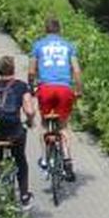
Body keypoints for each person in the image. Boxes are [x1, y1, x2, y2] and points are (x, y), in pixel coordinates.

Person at [28, 16, 81, 181]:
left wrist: (31, 86)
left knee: (45, 124)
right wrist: (78, 90)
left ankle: (45, 159)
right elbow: (76, 71)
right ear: (59, 30)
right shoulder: (69, 46)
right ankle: (67, 161)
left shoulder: (38, 45)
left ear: (46, 30)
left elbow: (31, 71)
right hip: (64, 88)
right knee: (63, 125)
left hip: (45, 88)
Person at [0, 54, 37, 208]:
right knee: (20, 159)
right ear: (13, 69)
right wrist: (30, 122)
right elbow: (29, 110)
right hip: (14, 131)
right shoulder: (21, 86)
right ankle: (24, 196)